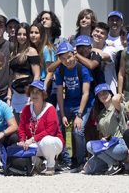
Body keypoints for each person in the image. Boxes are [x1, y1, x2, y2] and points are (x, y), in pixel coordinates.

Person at [53, 40, 91, 172]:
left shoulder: (83, 69)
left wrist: (79, 115)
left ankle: (81, 161)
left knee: (78, 130)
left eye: (69, 57)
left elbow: (86, 93)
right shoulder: (60, 71)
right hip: (68, 102)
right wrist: (62, 114)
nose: (67, 61)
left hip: (83, 104)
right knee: (60, 128)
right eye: (63, 59)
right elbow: (59, 93)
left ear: (74, 55)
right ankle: (66, 160)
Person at [17, 80, 63, 175]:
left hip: (53, 143)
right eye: (32, 92)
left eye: (38, 92)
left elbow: (50, 131)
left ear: (43, 94)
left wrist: (32, 139)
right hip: (35, 143)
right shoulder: (26, 109)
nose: (34, 95)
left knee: (47, 141)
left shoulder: (50, 108)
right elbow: (21, 128)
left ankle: (51, 165)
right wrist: (22, 140)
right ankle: (38, 163)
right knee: (22, 147)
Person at [82, 84, 127, 175]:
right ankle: (115, 164)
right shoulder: (100, 114)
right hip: (107, 146)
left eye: (105, 93)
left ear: (111, 93)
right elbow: (101, 134)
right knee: (88, 169)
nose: (103, 96)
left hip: (119, 146)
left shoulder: (118, 106)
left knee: (92, 146)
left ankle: (114, 164)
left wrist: (119, 93)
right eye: (100, 94)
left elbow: (116, 99)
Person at [7, 23, 40, 114]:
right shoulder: (13, 53)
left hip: (27, 93)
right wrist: (9, 96)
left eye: (25, 34)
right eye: (19, 34)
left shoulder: (32, 51)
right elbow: (11, 76)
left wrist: (32, 95)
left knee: (27, 124)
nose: (22, 37)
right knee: (15, 124)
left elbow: (37, 75)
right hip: (15, 93)